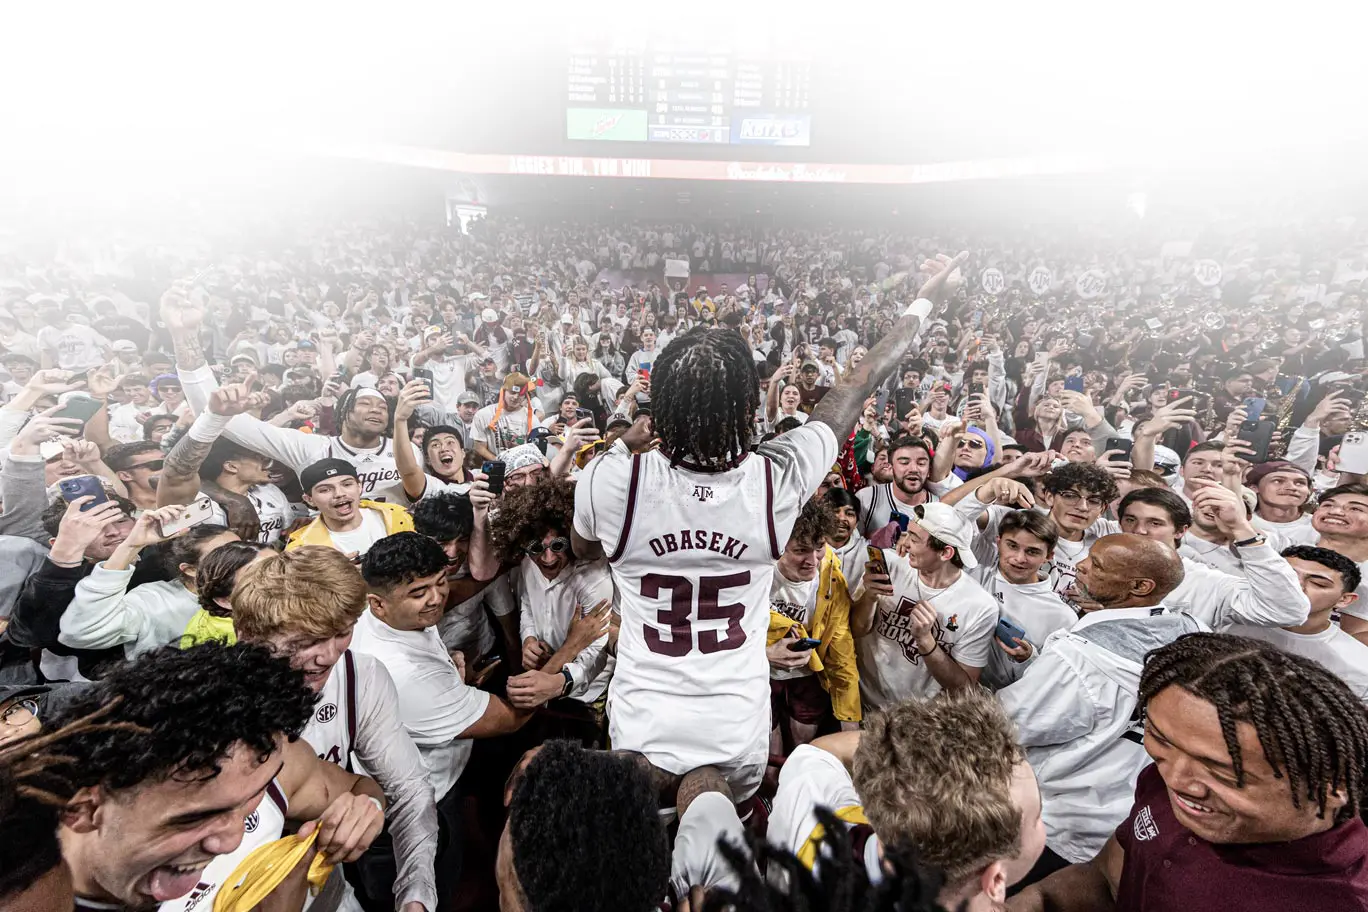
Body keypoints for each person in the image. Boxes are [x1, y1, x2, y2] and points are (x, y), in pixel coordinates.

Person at [572, 252, 967, 802]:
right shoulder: (777, 479)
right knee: (722, 853)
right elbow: (861, 378)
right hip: (735, 725)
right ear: (746, 412)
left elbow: (584, 547)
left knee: (642, 858)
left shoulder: (612, 480)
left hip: (642, 721)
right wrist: (925, 301)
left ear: (658, 410)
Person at [1010, 634, 1368, 910]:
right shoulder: (1172, 788)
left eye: (1221, 770)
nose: (1177, 780)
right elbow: (1107, 878)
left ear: (1330, 787)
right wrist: (1033, 902)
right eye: (1161, 740)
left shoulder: (1341, 900)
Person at [46, 642, 387, 911]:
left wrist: (364, 810)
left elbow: (359, 787)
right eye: (197, 818)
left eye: (248, 802)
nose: (232, 839)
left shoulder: (253, 768)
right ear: (85, 810)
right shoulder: (26, 888)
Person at [230, 547, 441, 912]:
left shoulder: (361, 676)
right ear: (248, 634)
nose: (328, 654)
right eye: (305, 641)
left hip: (323, 888)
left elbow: (406, 787)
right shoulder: (207, 701)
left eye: (341, 633)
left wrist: (416, 891)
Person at [997, 533, 1198, 880]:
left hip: (1056, 822)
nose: (1081, 566)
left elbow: (1006, 726)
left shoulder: (1079, 657)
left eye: (1097, 565)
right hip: (1126, 823)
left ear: (1139, 586)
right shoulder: (1191, 635)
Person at [769, 690, 1045, 908]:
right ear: (995, 880)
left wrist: (909, 751)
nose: (1041, 822)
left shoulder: (817, 821)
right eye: (1037, 817)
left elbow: (822, 752)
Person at [164, 287, 421, 504]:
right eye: (365, 403)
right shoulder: (311, 448)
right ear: (344, 413)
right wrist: (184, 335)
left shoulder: (407, 451)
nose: (377, 409)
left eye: (383, 407)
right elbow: (224, 421)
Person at [476, 479, 614, 718]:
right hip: (543, 683)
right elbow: (527, 606)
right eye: (536, 548)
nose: (547, 559)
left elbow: (596, 653)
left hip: (584, 697)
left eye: (558, 545)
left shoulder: (594, 580)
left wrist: (561, 680)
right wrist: (528, 639)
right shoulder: (529, 563)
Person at [853, 502, 997, 707]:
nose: (905, 542)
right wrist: (869, 598)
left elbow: (963, 689)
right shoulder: (889, 564)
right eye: (908, 533)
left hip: (917, 718)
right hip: (863, 700)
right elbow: (855, 630)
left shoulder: (980, 607)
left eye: (915, 538)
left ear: (946, 553)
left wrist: (926, 642)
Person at [57, 515, 238, 660]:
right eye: (228, 554)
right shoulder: (153, 600)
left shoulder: (257, 588)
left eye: (244, 547)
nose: (246, 557)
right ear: (191, 569)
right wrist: (131, 546)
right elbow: (81, 632)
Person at [765, 498, 860, 751]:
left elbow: (843, 652)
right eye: (799, 551)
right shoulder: (755, 573)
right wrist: (763, 655)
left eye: (818, 548)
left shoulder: (831, 578)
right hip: (759, 676)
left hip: (809, 677)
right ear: (777, 548)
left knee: (802, 750)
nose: (812, 561)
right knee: (769, 756)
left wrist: (850, 724)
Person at [155, 381, 293, 544]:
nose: (266, 460)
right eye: (257, 456)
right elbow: (172, 475)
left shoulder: (270, 492)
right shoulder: (197, 503)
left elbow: (284, 536)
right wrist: (214, 417)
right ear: (231, 465)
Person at [1229, 546, 1368, 702]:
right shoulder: (1226, 621)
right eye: (1286, 576)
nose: (1296, 586)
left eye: (1318, 583)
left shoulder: (1359, 664)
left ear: (1344, 600)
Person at [286, 458, 414, 556]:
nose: (339, 494)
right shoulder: (301, 549)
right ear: (309, 499)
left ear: (359, 487)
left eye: (347, 484)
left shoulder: (398, 516)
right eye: (325, 490)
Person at [854, 435, 943, 536]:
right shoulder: (866, 498)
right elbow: (849, 545)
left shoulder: (938, 506)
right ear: (892, 468)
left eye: (921, 463)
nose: (913, 469)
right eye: (904, 463)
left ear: (929, 471)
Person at [471, 372, 542, 461]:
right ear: (503, 391)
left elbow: (535, 450)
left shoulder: (532, 420)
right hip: (494, 469)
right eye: (512, 392)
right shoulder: (483, 415)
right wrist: (500, 463)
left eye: (521, 394)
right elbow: (479, 447)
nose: (516, 397)